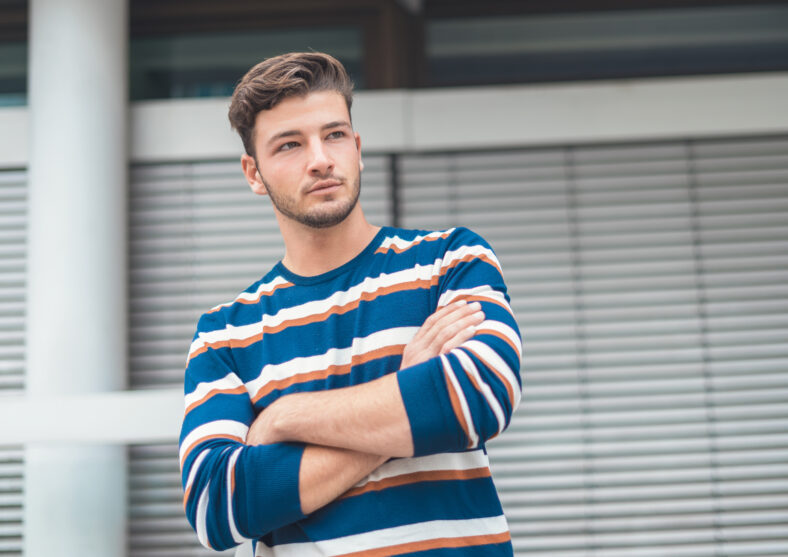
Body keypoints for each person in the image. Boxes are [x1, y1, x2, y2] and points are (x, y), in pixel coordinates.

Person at [179, 51, 523, 556]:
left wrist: (282, 417)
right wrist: (407, 394)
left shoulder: (449, 259)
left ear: (358, 148)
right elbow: (220, 506)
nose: (320, 158)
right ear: (254, 173)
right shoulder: (226, 334)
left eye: (334, 135)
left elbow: (477, 396)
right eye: (290, 144)